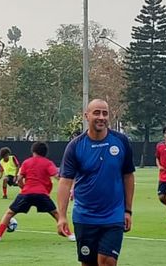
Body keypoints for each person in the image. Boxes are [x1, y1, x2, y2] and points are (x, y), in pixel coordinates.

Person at [57, 99, 136, 266]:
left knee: (107, 261)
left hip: (113, 215)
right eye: (96, 113)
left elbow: (128, 176)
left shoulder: (121, 142)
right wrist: (62, 216)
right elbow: (65, 182)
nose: (101, 117)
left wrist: (128, 210)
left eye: (105, 113)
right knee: (89, 264)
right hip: (85, 216)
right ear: (86, 116)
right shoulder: (75, 146)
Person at [0, 142, 76, 242]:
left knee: (9, 213)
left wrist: (24, 189)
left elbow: (19, 180)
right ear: (45, 152)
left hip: (26, 193)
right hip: (42, 194)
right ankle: (69, 235)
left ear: (33, 151)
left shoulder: (26, 162)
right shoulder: (48, 163)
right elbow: (58, 177)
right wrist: (70, 186)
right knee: (57, 214)